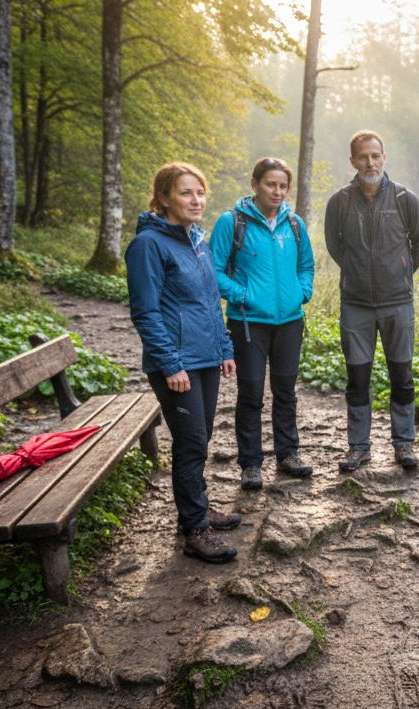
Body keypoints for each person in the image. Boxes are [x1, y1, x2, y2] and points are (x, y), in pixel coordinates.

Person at [126, 162, 242, 564]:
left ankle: (198, 508)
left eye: (200, 192)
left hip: (206, 357)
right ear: (163, 198)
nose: (196, 200)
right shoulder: (148, 245)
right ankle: (194, 530)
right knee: (191, 442)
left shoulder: (198, 242)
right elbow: (145, 312)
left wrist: (224, 348)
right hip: (177, 364)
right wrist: (170, 364)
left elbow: (210, 301)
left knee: (200, 438)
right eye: (185, 193)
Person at [323, 129, 419, 471]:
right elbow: (335, 245)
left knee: (402, 376)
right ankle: (359, 447)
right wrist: (357, 273)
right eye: (363, 157)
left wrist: (398, 274)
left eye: (375, 155)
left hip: (398, 303)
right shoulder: (339, 202)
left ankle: (404, 444)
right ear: (352, 161)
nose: (370, 162)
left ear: (384, 157)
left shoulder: (404, 199)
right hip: (355, 304)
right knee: (358, 378)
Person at [211, 157, 316, 491]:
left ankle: (288, 454)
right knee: (251, 392)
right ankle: (251, 464)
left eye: (283, 186)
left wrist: (302, 292)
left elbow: (306, 265)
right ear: (255, 184)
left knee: (285, 391)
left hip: (290, 322)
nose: (277, 191)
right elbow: (213, 271)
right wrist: (241, 294)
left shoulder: (294, 224)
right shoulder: (232, 222)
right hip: (248, 322)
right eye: (271, 184)